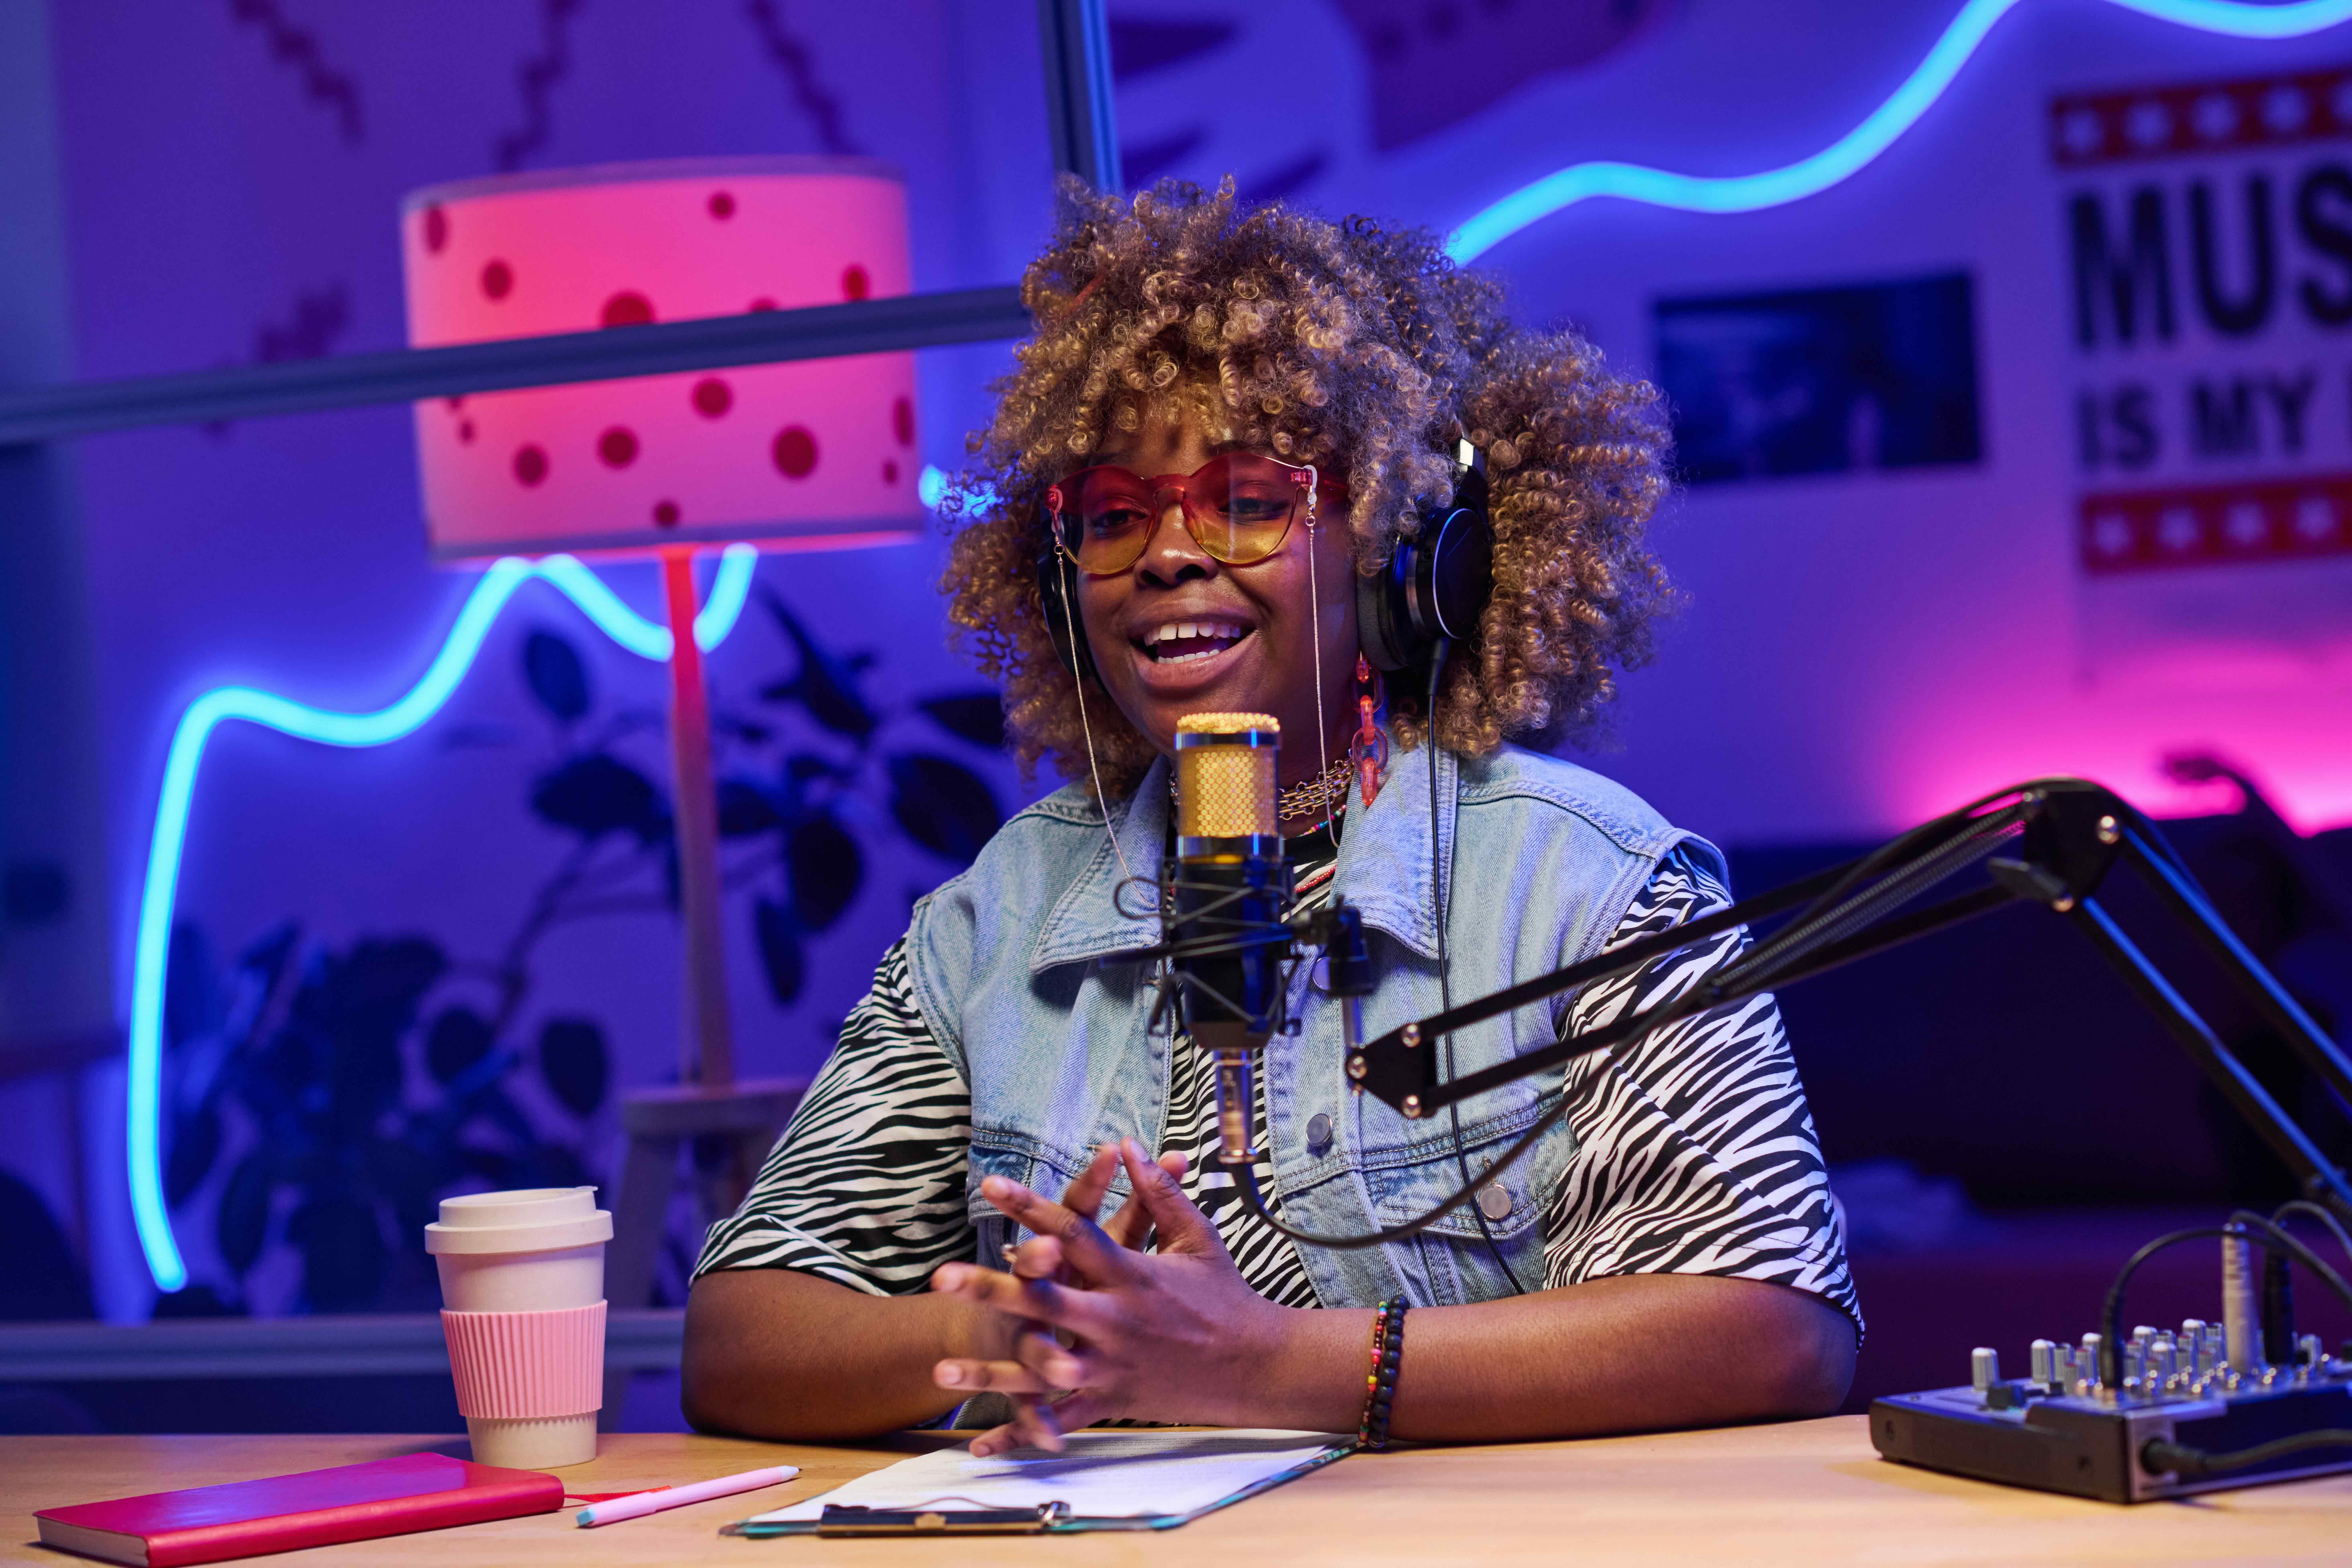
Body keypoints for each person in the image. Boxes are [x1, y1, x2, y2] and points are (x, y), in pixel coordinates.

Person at [682, 181, 1858, 1454]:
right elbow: (744, 1338)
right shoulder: (1002, 914)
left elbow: (1774, 1323)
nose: (1169, 555)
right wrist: (1032, 1330)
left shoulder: (1589, 879)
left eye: (1248, 500)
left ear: (1403, 553)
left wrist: (1274, 1367)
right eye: (1115, 518)